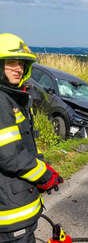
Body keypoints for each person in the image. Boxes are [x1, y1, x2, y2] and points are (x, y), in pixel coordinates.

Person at [0, 33, 64, 242]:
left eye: (21, 64)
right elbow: (9, 156)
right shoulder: (1, 102)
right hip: (10, 215)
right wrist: (45, 176)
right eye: (11, 63)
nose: (18, 69)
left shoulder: (10, 98)